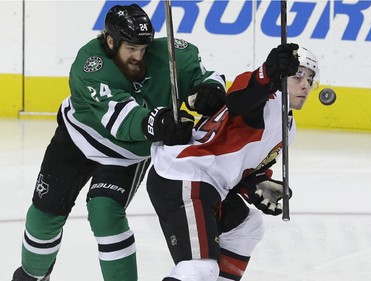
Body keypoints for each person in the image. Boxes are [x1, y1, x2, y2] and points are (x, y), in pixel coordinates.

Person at [12, 4, 226, 281]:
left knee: (105, 214)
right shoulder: (90, 63)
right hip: (77, 139)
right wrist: (158, 123)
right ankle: (32, 276)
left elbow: (205, 76)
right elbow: (120, 119)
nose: (139, 56)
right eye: (131, 49)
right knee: (45, 213)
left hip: (125, 155)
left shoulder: (174, 54)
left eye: (143, 48)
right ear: (110, 41)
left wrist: (209, 91)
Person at [146, 43, 320, 280]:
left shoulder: (288, 126)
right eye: (297, 75)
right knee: (200, 267)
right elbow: (239, 101)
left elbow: (242, 159)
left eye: (310, 79)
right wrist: (268, 72)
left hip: (208, 183)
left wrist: (255, 184)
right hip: (186, 176)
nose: (305, 85)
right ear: (281, 76)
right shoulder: (264, 97)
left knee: (246, 228)